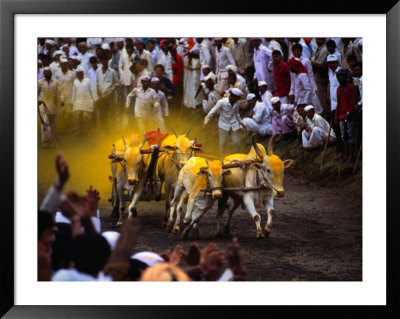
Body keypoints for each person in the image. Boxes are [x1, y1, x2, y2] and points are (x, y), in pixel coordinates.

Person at [203, 88, 244, 155]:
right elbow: (212, 112)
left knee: (236, 142)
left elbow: (237, 114)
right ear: (233, 96)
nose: (239, 99)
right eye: (238, 98)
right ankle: (222, 158)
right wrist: (205, 122)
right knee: (222, 144)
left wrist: (241, 122)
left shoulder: (236, 104)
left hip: (233, 125)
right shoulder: (222, 102)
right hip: (223, 125)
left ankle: (235, 157)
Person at [335, 68, 359, 164]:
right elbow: (338, 103)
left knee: (350, 134)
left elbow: (353, 101)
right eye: (339, 76)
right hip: (341, 115)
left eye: (343, 76)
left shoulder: (352, 87)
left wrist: (349, 112)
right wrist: (336, 115)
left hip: (349, 115)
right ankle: (346, 154)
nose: (341, 78)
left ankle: (351, 155)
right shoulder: (338, 89)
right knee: (343, 135)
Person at [38, 67, 63, 147]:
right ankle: (45, 141)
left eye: (48, 72)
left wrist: (62, 100)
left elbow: (60, 92)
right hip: (43, 105)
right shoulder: (40, 82)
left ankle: (52, 140)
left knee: (53, 123)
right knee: (44, 123)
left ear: (51, 73)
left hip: (53, 105)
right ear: (43, 73)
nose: (47, 73)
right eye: (45, 72)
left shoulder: (56, 82)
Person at [327, 54, 344, 159]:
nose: (332, 65)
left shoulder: (340, 73)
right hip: (333, 105)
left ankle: (342, 151)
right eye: (330, 63)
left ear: (337, 62)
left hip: (340, 106)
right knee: (336, 129)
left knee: (340, 130)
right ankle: (339, 150)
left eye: (334, 62)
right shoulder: (331, 73)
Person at [71, 67, 97, 135]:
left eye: (80, 73)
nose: (79, 74)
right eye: (78, 73)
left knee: (87, 117)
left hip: (87, 101)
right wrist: (72, 102)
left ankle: (89, 130)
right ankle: (80, 130)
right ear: (76, 74)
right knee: (78, 117)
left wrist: (95, 99)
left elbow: (92, 90)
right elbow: (74, 92)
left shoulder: (88, 80)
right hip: (78, 101)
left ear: (83, 73)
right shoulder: (75, 82)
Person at [96, 56, 119, 128]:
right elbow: (97, 82)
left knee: (111, 113)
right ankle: (104, 129)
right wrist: (98, 91)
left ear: (108, 61)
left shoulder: (112, 72)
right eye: (103, 61)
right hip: (101, 96)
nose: (104, 63)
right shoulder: (98, 71)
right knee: (103, 114)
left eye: (106, 61)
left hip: (110, 96)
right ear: (101, 62)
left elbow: (117, 83)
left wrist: (111, 92)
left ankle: (113, 128)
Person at [311, 38, 330, 114]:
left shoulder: (324, 49)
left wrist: (310, 62)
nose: (318, 41)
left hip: (322, 77)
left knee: (323, 98)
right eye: (317, 39)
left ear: (324, 40)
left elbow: (319, 64)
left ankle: (325, 115)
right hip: (318, 76)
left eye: (320, 39)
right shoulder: (319, 48)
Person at [54, 58, 75, 123]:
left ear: (67, 64)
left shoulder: (72, 73)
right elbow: (55, 85)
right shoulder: (57, 73)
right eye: (62, 64)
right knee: (61, 114)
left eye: (65, 64)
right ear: (60, 65)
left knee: (69, 114)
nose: (64, 66)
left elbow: (74, 86)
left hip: (69, 97)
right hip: (60, 97)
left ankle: (69, 130)